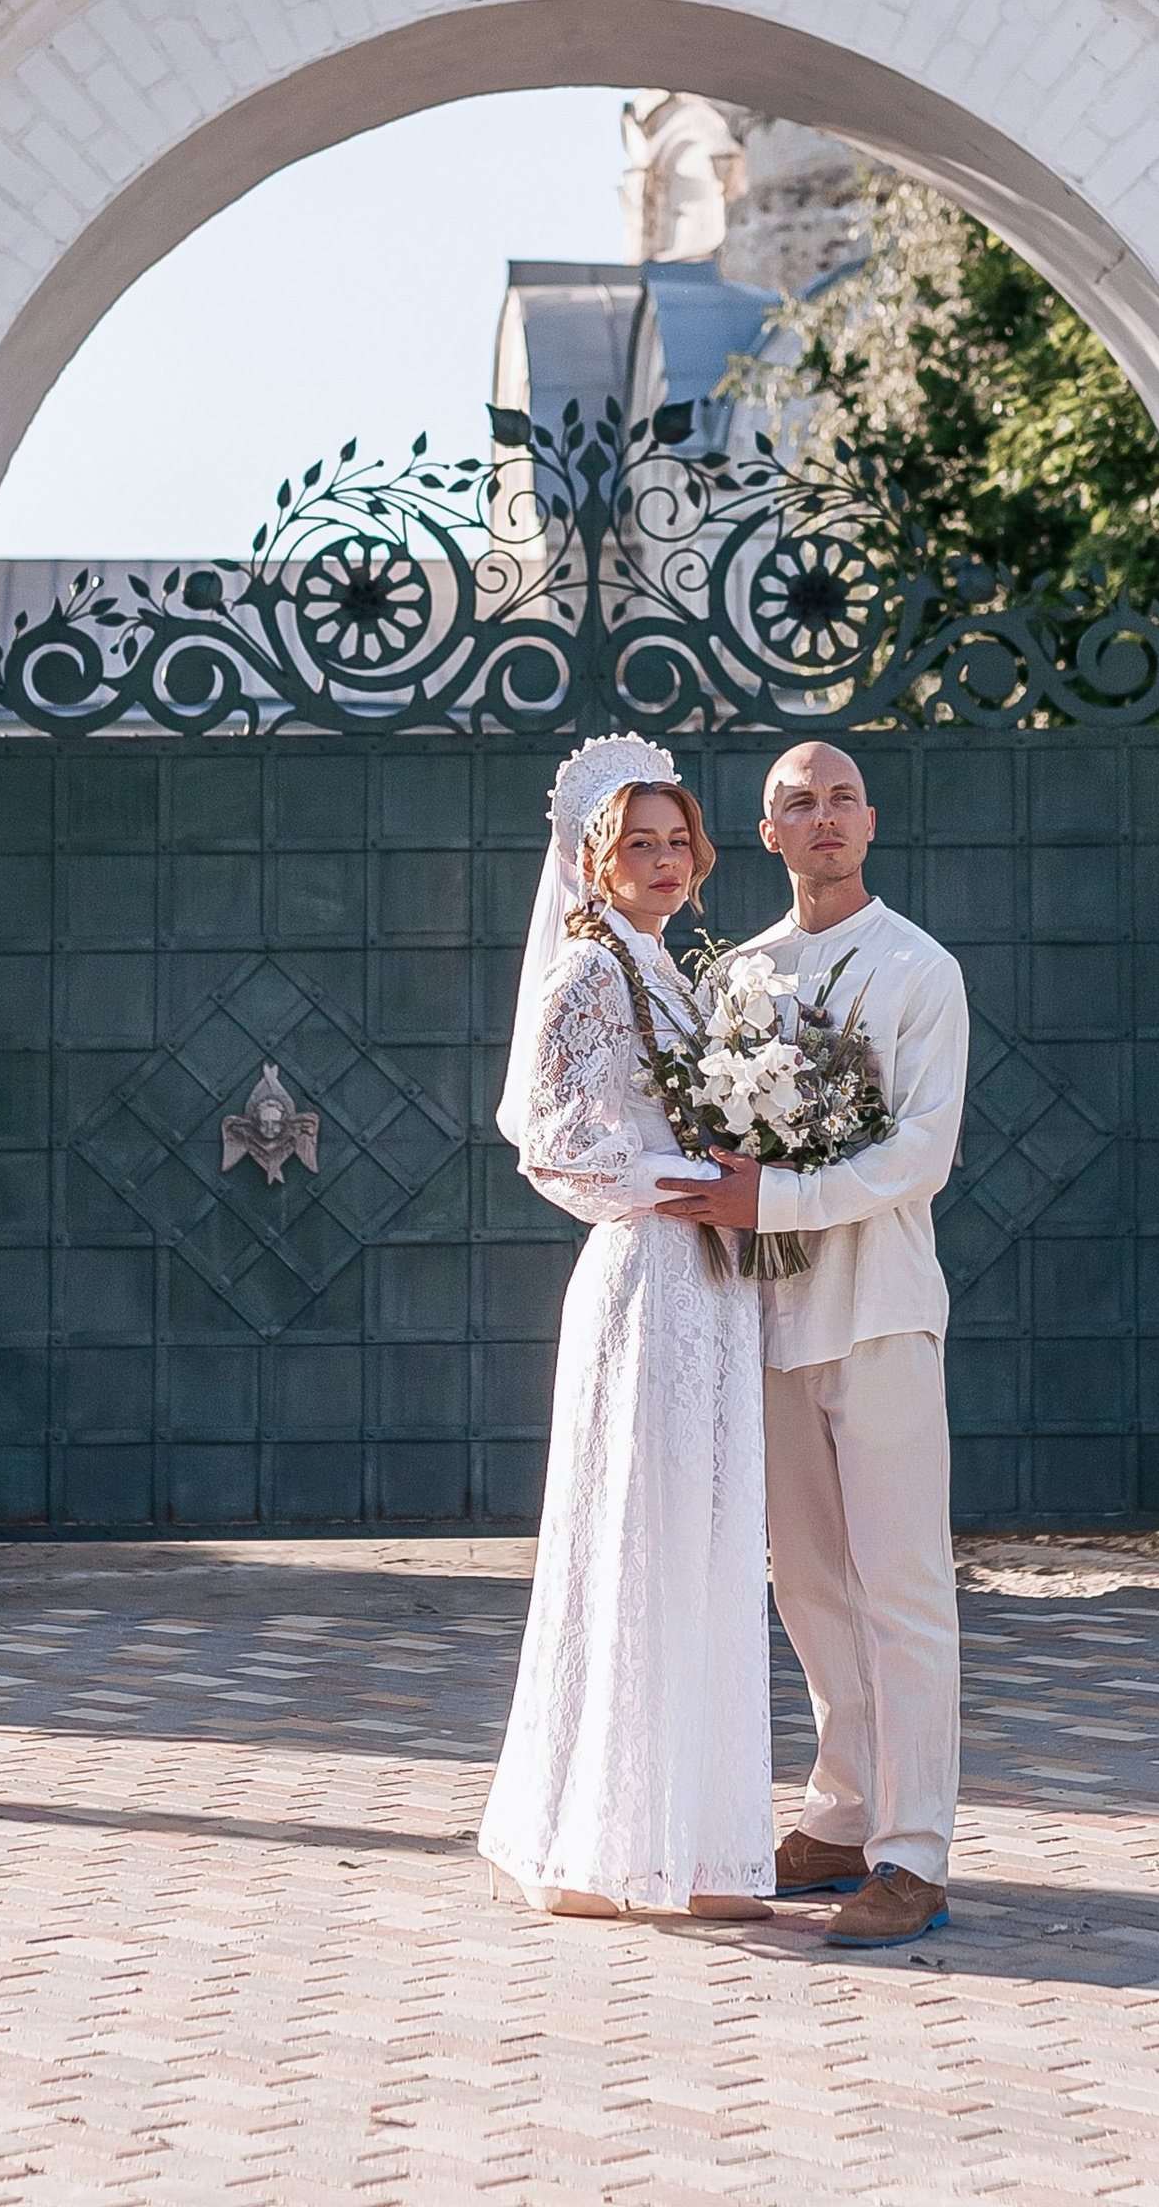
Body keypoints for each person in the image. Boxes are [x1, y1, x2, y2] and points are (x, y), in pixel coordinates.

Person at [659, 739, 968, 1952]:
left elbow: (919, 1154)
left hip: (881, 1308)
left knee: (901, 1587)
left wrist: (775, 1200)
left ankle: (914, 1852)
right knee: (810, 1586)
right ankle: (841, 1818)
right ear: (769, 834)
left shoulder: (917, 968)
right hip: (768, 1316)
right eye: (798, 802)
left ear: (870, 824)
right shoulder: (735, 975)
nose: (823, 817)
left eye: (841, 798)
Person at [478, 735, 775, 1922]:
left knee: (702, 1545)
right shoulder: (589, 973)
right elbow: (551, 1143)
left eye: (675, 841)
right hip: (647, 1275)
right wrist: (686, 1176)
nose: (662, 860)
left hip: (710, 1280)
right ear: (593, 861)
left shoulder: (677, 973)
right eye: (636, 843)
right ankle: (594, 1849)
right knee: (636, 1543)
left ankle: (692, 1845)